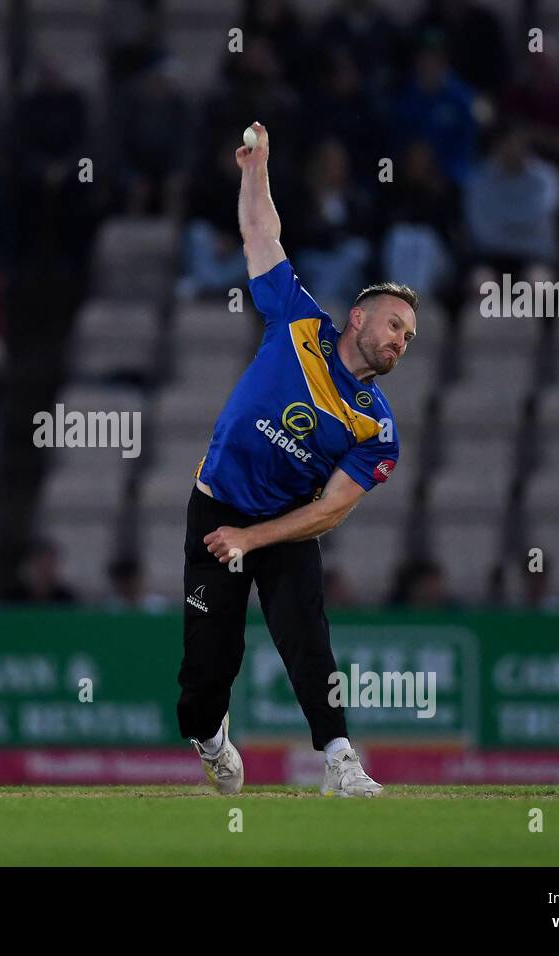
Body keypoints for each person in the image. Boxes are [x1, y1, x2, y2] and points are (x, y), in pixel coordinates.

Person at [178, 123, 415, 799]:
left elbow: (332, 510)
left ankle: (341, 760)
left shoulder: (378, 427)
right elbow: (261, 236)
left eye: (410, 337)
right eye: (394, 324)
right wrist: (257, 168)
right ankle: (210, 735)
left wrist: (252, 539)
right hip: (215, 505)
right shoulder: (299, 321)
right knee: (204, 674)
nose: (401, 340)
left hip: (282, 525)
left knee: (307, 641)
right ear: (359, 319)